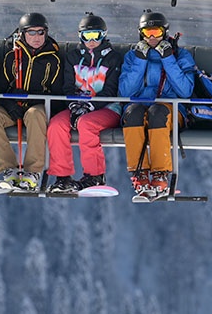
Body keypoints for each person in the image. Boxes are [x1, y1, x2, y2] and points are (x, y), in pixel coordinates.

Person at [119, 10, 197, 199]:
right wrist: (140, 60)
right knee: (132, 113)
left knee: (157, 112)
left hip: (171, 110)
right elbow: (125, 92)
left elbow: (185, 91)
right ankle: (140, 173)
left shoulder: (180, 56)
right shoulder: (132, 57)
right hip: (141, 107)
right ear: (141, 33)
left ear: (165, 32)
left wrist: (168, 58)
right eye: (147, 33)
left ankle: (160, 174)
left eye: (156, 32)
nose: (152, 37)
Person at [0, 12, 63, 190]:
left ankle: (32, 171)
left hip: (38, 109)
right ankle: (8, 170)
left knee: (35, 115)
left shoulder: (53, 60)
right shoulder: (12, 57)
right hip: (14, 108)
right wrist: (9, 103)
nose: (36, 37)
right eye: (31, 33)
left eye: (40, 32)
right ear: (22, 34)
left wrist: (33, 99)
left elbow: (58, 97)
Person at [46, 13, 124, 193]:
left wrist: (90, 106)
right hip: (77, 106)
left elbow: (110, 90)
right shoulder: (73, 57)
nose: (91, 41)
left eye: (95, 35)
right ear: (79, 36)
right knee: (56, 125)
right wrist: (74, 104)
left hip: (107, 107)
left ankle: (94, 176)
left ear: (103, 35)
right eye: (86, 36)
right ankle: (62, 177)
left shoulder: (113, 58)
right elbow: (67, 86)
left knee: (86, 124)